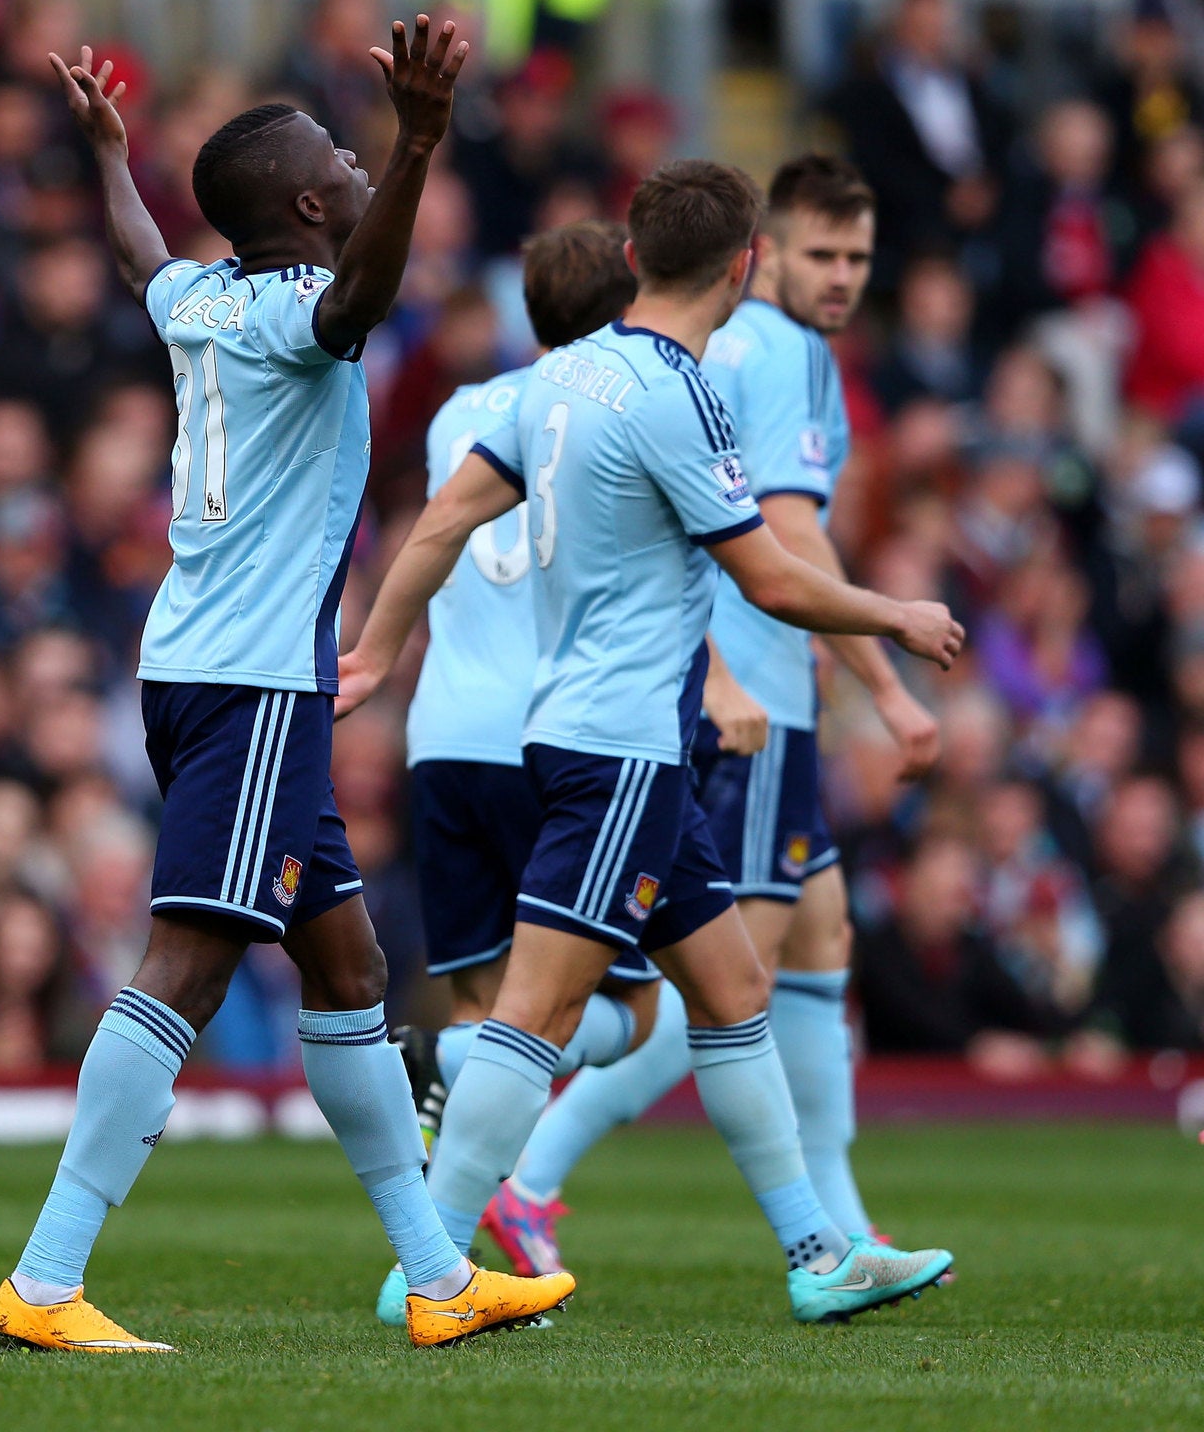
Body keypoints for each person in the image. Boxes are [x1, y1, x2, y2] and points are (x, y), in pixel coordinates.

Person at [0, 17, 575, 1356]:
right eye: (348, 166)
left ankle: (435, 1275)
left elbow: (141, 254)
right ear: (311, 207)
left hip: (218, 669)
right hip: (250, 684)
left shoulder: (199, 299)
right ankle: (45, 1277)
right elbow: (360, 300)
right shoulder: (299, 325)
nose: (365, 173)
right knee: (188, 965)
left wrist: (109, 156)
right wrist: (425, 137)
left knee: (350, 966)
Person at [336, 159, 962, 1324]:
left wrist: (375, 650)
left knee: (730, 989)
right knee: (538, 1016)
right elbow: (769, 577)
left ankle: (815, 1253)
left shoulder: (552, 378)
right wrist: (896, 615)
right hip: (616, 748)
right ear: (741, 269)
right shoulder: (681, 395)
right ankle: (425, 1274)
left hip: (614, 748)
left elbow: (439, 521)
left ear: (633, 257)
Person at [367, 219, 670, 1327]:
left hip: (443, 733)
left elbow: (440, 529)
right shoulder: (619, 407)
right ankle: (452, 1071)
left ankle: (462, 1258)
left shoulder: (459, 412)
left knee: (487, 1001)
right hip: (558, 733)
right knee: (625, 1008)